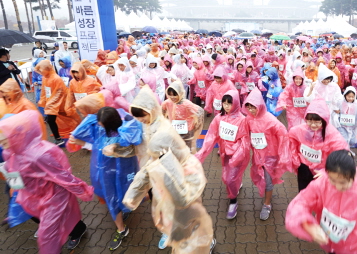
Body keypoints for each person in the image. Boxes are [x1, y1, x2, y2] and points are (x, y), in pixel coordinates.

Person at [0, 110, 93, 254]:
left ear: (16, 134)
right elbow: (14, 176)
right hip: (33, 195)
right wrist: (15, 201)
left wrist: (83, 191)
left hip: (54, 196)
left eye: (4, 139)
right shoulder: (9, 152)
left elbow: (63, 176)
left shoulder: (39, 155)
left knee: (46, 236)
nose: (1, 143)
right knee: (44, 219)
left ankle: (78, 231)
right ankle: (78, 229)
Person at [125, 106, 216, 252]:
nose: (155, 159)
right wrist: (132, 196)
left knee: (193, 229)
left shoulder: (191, 166)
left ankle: (207, 243)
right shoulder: (159, 158)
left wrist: (168, 163)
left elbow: (184, 198)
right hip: (171, 207)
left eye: (159, 155)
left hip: (188, 211)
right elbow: (145, 173)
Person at [285, 150, 357, 254]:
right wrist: (308, 225)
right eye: (333, 180)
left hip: (352, 246)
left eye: (343, 183)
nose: (338, 186)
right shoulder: (322, 184)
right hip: (328, 239)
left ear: (353, 176)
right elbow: (301, 202)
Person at [69, 107, 142, 251]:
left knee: (121, 194)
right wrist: (81, 139)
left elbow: (133, 141)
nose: (98, 124)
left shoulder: (124, 135)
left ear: (109, 123)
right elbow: (84, 138)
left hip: (120, 172)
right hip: (108, 174)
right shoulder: (101, 130)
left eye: (100, 122)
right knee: (114, 198)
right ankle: (122, 222)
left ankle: (122, 229)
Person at [195, 90, 250, 220]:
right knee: (227, 177)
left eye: (229, 103)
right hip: (225, 153)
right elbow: (210, 137)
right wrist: (201, 154)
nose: (226, 106)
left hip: (237, 155)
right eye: (224, 103)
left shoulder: (242, 120)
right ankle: (237, 183)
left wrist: (237, 157)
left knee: (230, 179)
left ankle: (233, 202)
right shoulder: (219, 118)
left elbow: (245, 142)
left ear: (236, 103)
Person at [243, 88, 290, 221]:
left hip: (270, 156)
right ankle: (267, 195)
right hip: (258, 154)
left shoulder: (270, 119)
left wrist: (283, 153)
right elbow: (245, 133)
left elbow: (283, 133)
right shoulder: (248, 119)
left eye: (254, 107)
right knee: (261, 176)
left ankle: (267, 204)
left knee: (268, 181)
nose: (251, 110)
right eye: (249, 107)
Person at [288, 99, 349, 191]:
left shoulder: (332, 135)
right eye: (309, 121)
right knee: (303, 193)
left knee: (320, 197)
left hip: (322, 171)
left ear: (324, 120)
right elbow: (291, 139)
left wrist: (328, 171)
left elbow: (342, 155)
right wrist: (296, 160)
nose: (313, 125)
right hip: (304, 167)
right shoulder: (300, 130)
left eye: (317, 122)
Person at [35, 59, 80, 145]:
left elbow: (59, 93)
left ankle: (68, 135)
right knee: (52, 120)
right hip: (52, 103)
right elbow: (45, 90)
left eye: (41, 70)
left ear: (47, 68)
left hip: (60, 102)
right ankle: (59, 138)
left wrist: (49, 104)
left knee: (68, 116)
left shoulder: (56, 78)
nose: (40, 72)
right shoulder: (45, 77)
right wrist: (43, 100)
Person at [162, 81, 204, 153]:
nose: (172, 97)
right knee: (175, 150)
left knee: (187, 150)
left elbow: (199, 112)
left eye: (175, 95)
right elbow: (162, 112)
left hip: (187, 131)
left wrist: (195, 124)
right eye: (170, 95)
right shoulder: (167, 103)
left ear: (180, 93)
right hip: (174, 130)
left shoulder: (186, 104)